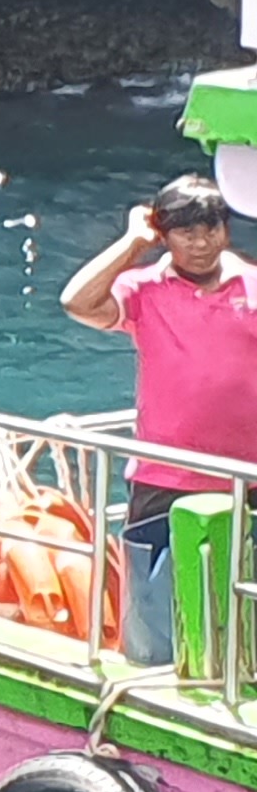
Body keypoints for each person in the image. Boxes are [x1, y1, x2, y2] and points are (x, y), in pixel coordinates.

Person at [62, 173, 257, 664]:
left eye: (211, 229)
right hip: (164, 479)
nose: (201, 243)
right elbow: (77, 302)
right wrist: (132, 242)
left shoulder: (253, 286)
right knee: (155, 618)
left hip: (248, 479)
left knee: (246, 604)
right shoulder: (143, 289)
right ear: (164, 234)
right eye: (186, 231)